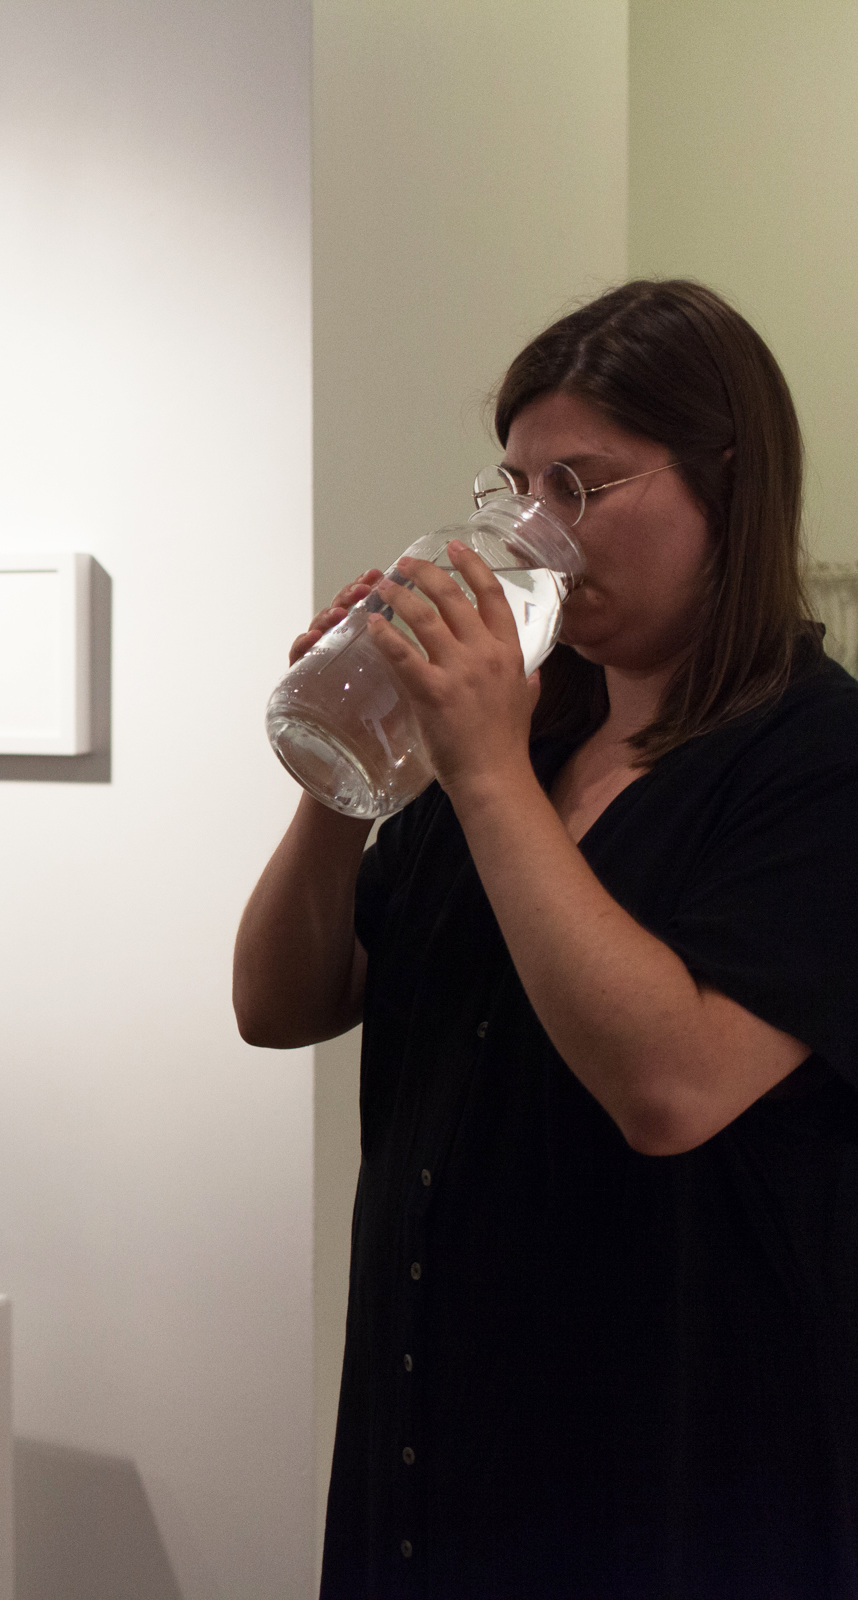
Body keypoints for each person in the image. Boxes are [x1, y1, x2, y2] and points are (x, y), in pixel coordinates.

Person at [234, 279, 858, 1599]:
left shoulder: (817, 758)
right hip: (432, 1428)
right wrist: (349, 768)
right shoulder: (529, 728)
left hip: (668, 1466)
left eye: (581, 485)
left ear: (729, 485)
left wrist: (481, 768)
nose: (537, 531)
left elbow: (671, 1087)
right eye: (518, 485)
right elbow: (278, 1003)